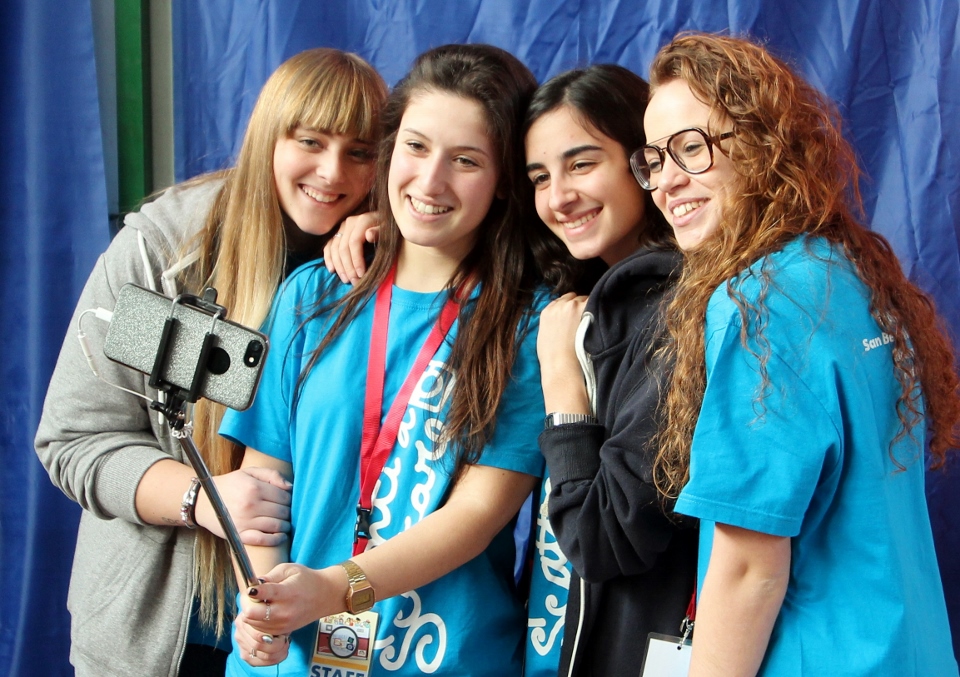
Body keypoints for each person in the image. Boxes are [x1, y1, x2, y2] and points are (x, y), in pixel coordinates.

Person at [34, 48, 387, 677]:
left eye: (359, 153)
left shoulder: (389, 265)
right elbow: (76, 439)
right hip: (162, 636)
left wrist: (394, 242)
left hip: (313, 632)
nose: (332, 172)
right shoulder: (172, 252)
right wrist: (201, 498)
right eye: (310, 141)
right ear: (268, 136)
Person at [218, 43, 549, 676]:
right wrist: (261, 603)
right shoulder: (311, 295)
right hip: (291, 657)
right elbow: (263, 487)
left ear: (505, 179)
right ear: (392, 150)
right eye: (416, 147)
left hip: (441, 658)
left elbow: (478, 515)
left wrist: (334, 588)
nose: (430, 181)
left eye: (465, 160)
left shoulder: (528, 323)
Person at [639, 32, 960, 676]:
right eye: (653, 159)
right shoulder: (850, 276)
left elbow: (749, 569)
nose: (667, 180)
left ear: (762, 146)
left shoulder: (761, 301)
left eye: (691, 148)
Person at [521, 64, 698, 677]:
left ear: (644, 162)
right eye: (540, 177)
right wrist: (378, 228)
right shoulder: (591, 295)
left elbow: (603, 540)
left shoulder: (672, 309)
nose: (558, 197)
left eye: (581, 164)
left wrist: (562, 386)